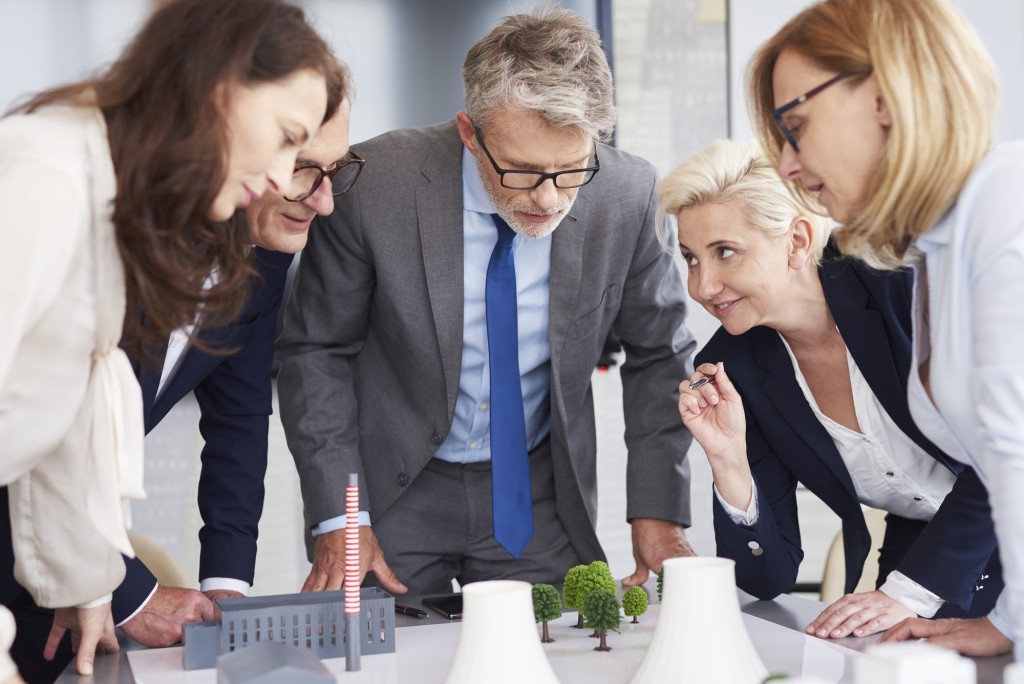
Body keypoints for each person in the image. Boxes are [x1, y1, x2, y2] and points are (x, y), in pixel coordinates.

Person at [277, 7, 697, 598]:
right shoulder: (373, 186)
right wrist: (342, 519)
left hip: (539, 494)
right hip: (392, 491)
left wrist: (659, 512)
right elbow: (316, 351)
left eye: (571, 169)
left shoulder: (627, 195)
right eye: (522, 170)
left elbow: (661, 355)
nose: (549, 198)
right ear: (470, 133)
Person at [0, 0, 339, 676]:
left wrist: (88, 579)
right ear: (217, 86)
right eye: (284, 137)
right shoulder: (47, 178)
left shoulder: (118, 206)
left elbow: (64, 428)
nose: (281, 178)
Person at [746, 0, 1024, 660]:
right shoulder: (934, 252)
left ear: (884, 95)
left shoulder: (1004, 208)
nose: (787, 164)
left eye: (796, 125)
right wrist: (1010, 622)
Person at [666, 138, 1001, 643]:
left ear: (798, 241)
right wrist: (728, 461)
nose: (703, 286)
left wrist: (903, 594)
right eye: (691, 259)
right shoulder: (733, 366)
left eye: (725, 252)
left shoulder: (901, 281)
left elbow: (1003, 451)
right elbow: (766, 579)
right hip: (924, 552)